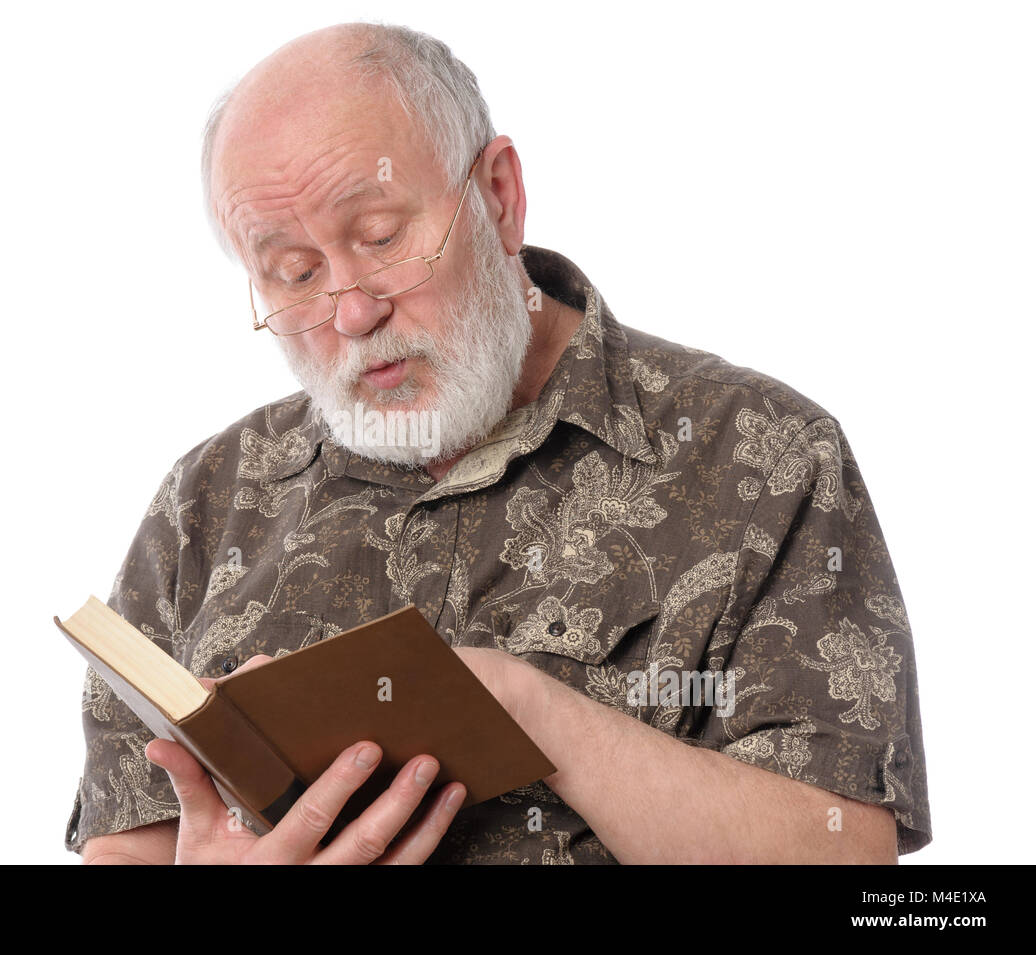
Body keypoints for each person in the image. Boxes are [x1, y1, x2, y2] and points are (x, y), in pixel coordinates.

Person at [64, 21, 930, 864]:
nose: (353, 311)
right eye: (294, 273)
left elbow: (844, 856)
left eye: (380, 237)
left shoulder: (764, 455)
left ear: (500, 195)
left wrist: (529, 705)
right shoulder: (206, 504)